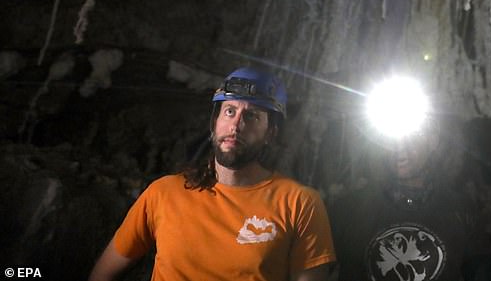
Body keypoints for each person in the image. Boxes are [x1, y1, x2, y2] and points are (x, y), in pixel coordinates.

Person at [88, 66, 336, 281]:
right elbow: (102, 274)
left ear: (270, 132)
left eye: (251, 116)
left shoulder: (300, 204)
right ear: (215, 121)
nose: (236, 124)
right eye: (230, 111)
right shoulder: (163, 193)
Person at [329, 114, 491, 281]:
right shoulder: (349, 209)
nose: (399, 147)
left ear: (432, 141)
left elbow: (479, 272)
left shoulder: (462, 211)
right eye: (391, 137)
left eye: (412, 137)